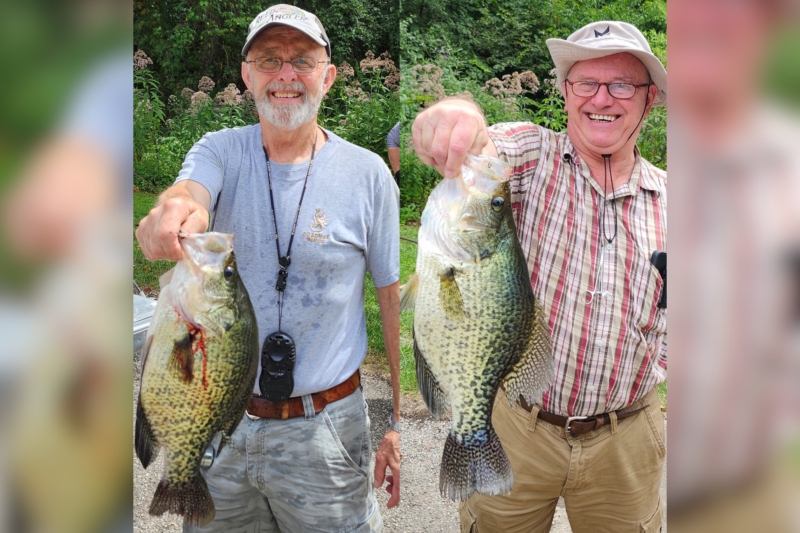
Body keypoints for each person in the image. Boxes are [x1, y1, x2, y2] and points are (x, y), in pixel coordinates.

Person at [136, 4, 401, 532]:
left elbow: (391, 299)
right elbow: (190, 192)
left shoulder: (369, 174)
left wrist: (394, 422)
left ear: (327, 76)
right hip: (221, 425)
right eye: (269, 59)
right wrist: (172, 211)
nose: (285, 75)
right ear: (247, 75)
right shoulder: (219, 150)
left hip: (327, 428)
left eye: (302, 60)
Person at [412, 21, 666, 532]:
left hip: (629, 436)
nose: (602, 98)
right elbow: (481, 147)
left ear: (650, 99)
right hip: (517, 424)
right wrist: (456, 116)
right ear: (566, 92)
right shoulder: (528, 156)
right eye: (585, 83)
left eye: (621, 84)